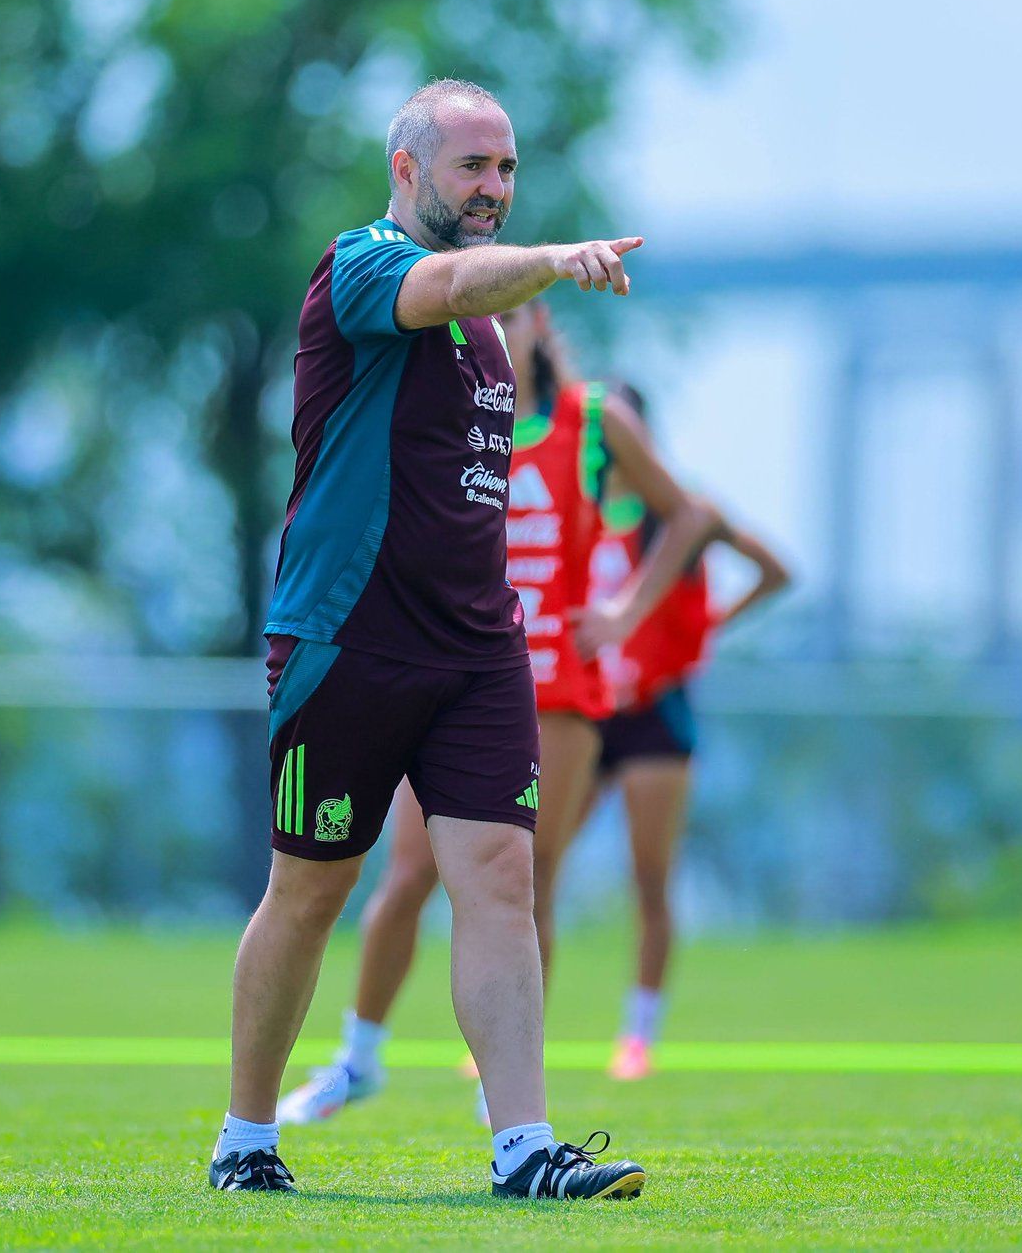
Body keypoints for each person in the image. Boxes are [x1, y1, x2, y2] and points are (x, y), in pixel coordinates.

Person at [210, 78, 651, 1200]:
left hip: (474, 650)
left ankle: (524, 1146)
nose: (494, 188)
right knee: (311, 888)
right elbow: (446, 279)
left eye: (506, 168)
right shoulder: (360, 266)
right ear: (407, 170)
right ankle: (244, 1138)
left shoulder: (488, 342)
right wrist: (554, 259)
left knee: (502, 879)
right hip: (346, 641)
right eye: (473, 167)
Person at [273, 308, 714, 1128]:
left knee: (525, 881)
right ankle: (357, 1060)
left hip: (558, 692)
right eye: (489, 310)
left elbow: (687, 517)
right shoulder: (447, 402)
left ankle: (502, 1086)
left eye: (516, 309)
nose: (501, 325)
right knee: (405, 874)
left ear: (544, 320)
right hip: (454, 676)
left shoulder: (591, 422)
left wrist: (621, 610)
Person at [589, 383, 792, 1081]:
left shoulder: (680, 508)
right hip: (582, 706)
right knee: (525, 870)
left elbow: (774, 571)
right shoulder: (571, 501)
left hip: (654, 712)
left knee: (648, 878)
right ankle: (506, 1030)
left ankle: (637, 1034)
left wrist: (705, 629)